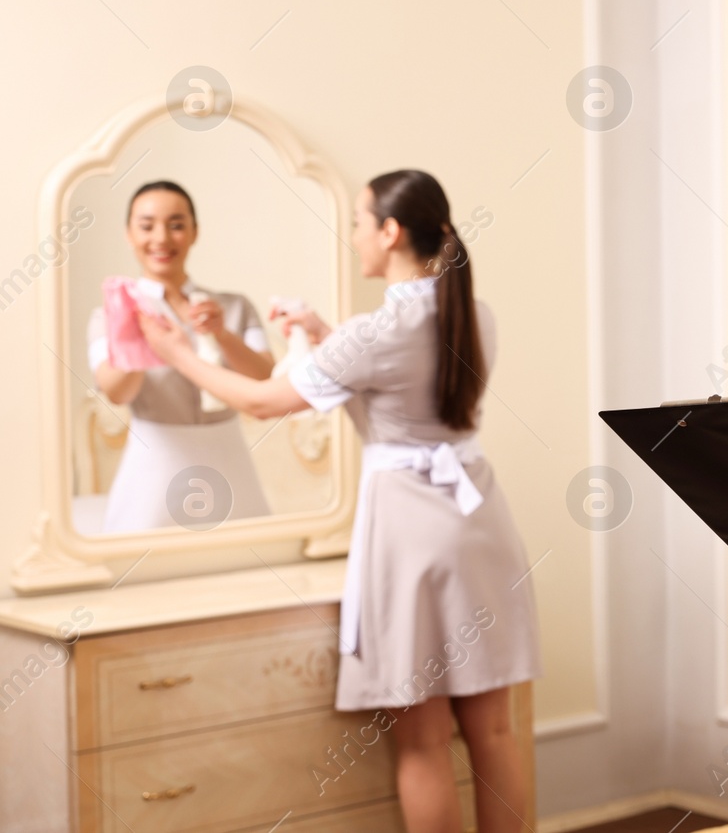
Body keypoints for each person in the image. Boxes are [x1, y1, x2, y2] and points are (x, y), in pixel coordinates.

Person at [139, 169, 541, 833]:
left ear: (388, 231)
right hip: (482, 523)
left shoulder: (378, 329)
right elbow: (396, 379)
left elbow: (265, 401)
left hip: (414, 536)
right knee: (495, 732)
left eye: (358, 221)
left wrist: (179, 354)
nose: (352, 235)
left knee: (422, 739)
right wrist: (326, 335)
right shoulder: (474, 311)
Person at [90, 180, 274, 532]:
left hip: (229, 458)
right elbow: (116, 392)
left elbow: (265, 379)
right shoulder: (108, 317)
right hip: (154, 465)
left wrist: (222, 335)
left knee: (242, 568)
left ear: (194, 232)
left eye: (176, 225)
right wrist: (136, 339)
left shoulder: (234, 307)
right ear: (129, 234)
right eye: (147, 226)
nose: (161, 238)